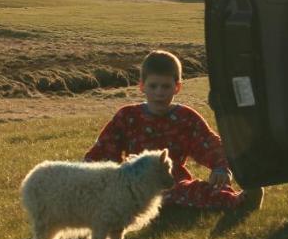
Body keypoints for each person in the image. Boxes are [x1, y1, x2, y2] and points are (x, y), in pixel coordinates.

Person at [83, 49, 263, 211]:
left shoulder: (186, 117)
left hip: (173, 182)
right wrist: (87, 177)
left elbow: (209, 143)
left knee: (195, 191)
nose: (159, 93)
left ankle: (240, 201)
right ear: (142, 86)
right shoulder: (127, 116)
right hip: (133, 185)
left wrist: (221, 167)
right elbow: (104, 150)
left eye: (166, 86)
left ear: (177, 87)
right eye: (153, 86)